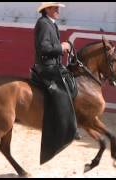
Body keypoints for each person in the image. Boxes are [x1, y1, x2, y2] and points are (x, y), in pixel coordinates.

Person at [31, 2, 78, 165]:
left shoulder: (50, 24)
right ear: (47, 9)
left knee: (70, 82)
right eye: (55, 8)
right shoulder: (43, 24)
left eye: (58, 8)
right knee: (63, 89)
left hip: (53, 65)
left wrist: (61, 48)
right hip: (46, 67)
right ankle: (64, 126)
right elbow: (44, 48)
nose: (58, 10)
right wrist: (61, 46)